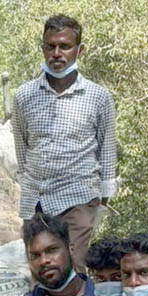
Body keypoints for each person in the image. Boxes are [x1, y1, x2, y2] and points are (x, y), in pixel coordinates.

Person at [11, 14, 118, 272]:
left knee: (73, 269)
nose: (57, 53)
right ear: (43, 49)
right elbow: (22, 150)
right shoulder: (24, 96)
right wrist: (30, 185)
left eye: (65, 46)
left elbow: (107, 152)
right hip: (36, 201)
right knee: (42, 271)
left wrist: (100, 203)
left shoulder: (98, 98)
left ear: (79, 51)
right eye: (50, 46)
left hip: (78, 198)